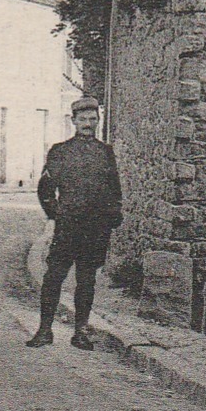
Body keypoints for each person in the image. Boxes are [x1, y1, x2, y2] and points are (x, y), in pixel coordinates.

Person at [27, 96, 122, 351]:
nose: (88, 124)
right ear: (73, 121)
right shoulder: (60, 151)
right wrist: (56, 213)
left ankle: (81, 331)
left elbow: (114, 189)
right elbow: (46, 189)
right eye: (83, 120)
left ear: (98, 121)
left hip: (95, 229)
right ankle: (44, 330)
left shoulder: (105, 153)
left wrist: (113, 214)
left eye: (93, 119)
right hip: (68, 228)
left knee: (87, 280)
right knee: (53, 277)